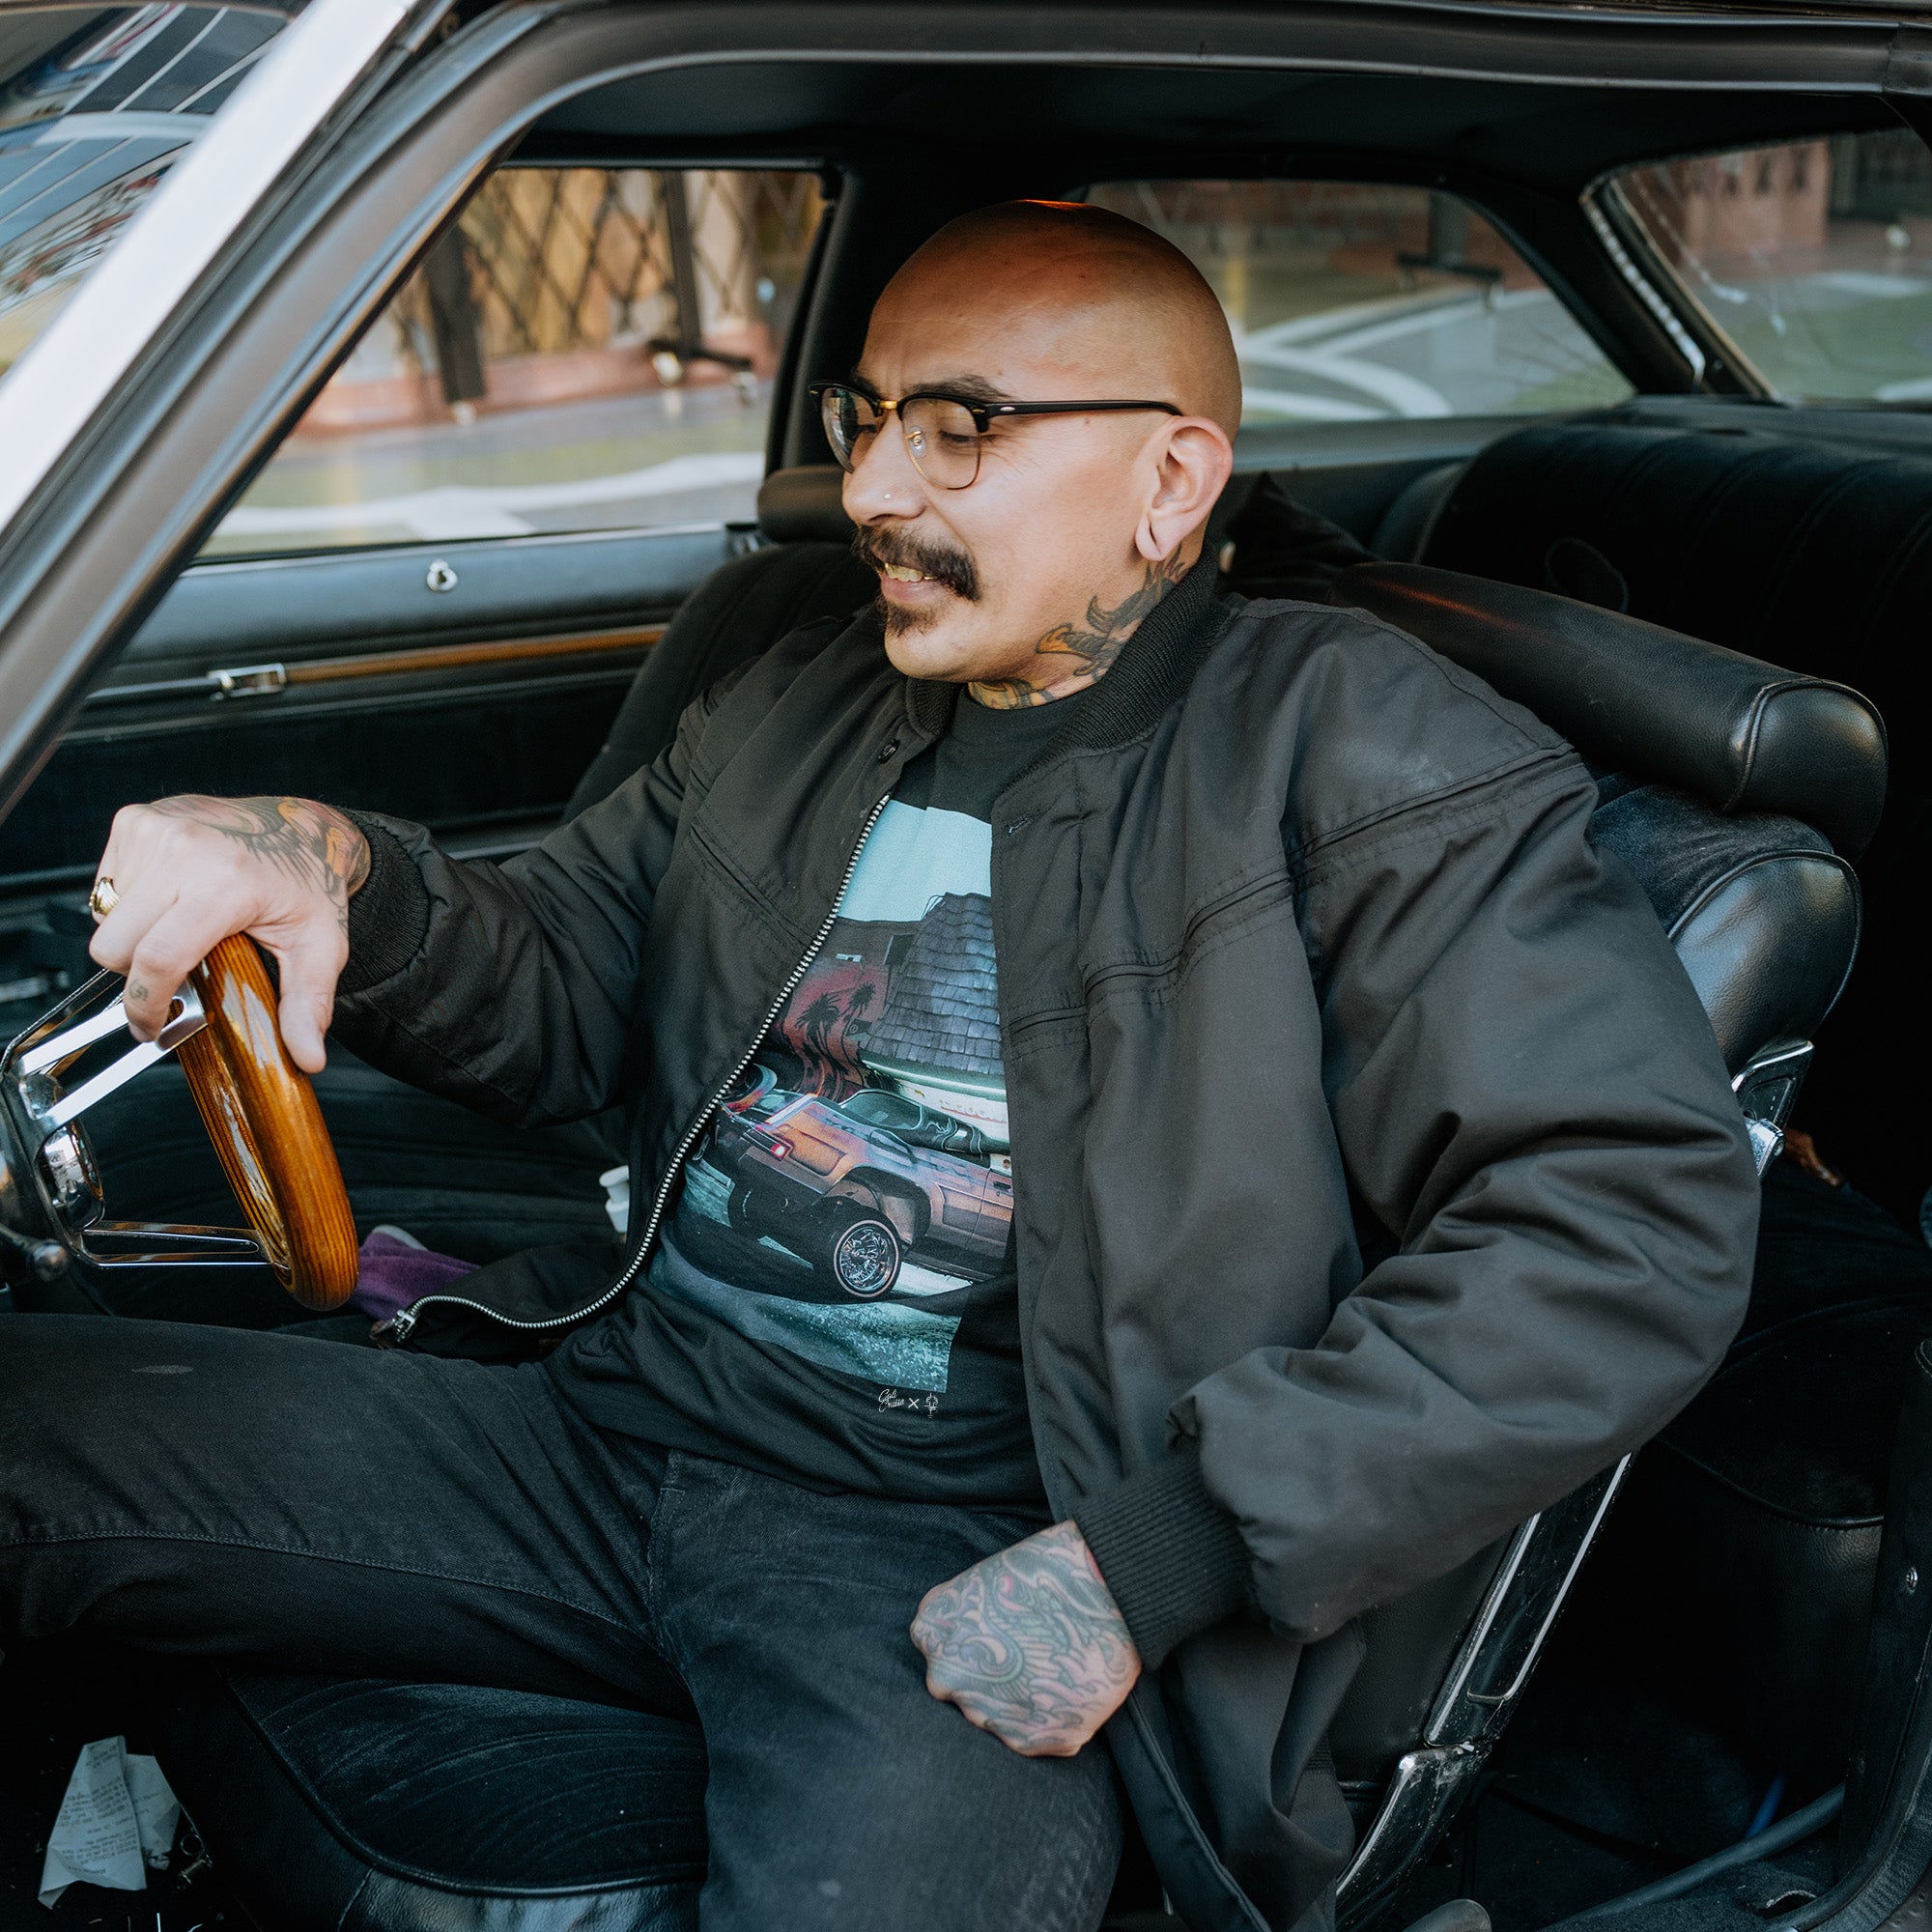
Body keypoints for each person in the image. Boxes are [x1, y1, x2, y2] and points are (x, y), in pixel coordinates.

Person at [0, 201, 1759, 1932]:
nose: (870, 491)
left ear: (1172, 482)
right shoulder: (810, 692)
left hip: (962, 1546)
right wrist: (323, 859)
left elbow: (1619, 1223)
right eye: (867, 419)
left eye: (959, 430)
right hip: (601, 1422)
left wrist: (1147, 1562)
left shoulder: (1370, 756)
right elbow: (561, 998)